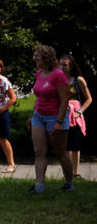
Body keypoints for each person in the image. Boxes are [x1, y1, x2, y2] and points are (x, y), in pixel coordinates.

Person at [27, 45, 76, 194]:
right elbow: (39, 98)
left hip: (55, 117)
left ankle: (69, 183)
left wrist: (59, 122)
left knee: (60, 152)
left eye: (37, 55)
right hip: (39, 117)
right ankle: (39, 187)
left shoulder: (58, 75)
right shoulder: (39, 73)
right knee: (39, 151)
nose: (34, 57)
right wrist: (31, 115)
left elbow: (64, 100)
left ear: (46, 58)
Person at [59, 54, 91, 178]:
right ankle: (67, 172)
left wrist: (80, 111)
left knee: (75, 145)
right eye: (60, 64)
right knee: (65, 146)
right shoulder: (58, 80)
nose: (62, 67)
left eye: (65, 65)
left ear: (71, 66)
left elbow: (88, 99)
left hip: (74, 116)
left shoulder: (78, 80)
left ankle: (75, 172)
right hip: (62, 114)